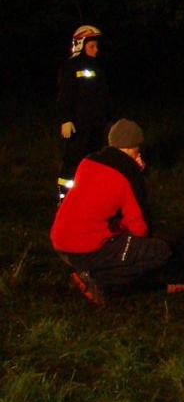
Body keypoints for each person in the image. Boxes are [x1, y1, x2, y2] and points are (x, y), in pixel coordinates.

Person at [50, 119, 171, 305]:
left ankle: (88, 270)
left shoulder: (88, 160)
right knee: (159, 251)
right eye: (138, 148)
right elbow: (139, 228)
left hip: (60, 242)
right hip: (84, 248)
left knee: (117, 237)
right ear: (132, 148)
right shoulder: (128, 175)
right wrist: (136, 174)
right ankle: (98, 281)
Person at [56, 25, 109, 204]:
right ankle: (65, 198)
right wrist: (66, 119)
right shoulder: (70, 67)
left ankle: (88, 198)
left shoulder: (98, 67)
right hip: (77, 126)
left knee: (93, 162)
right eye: (92, 46)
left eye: (97, 46)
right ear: (80, 44)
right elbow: (65, 95)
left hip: (96, 125)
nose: (96, 50)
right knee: (72, 162)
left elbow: (103, 96)